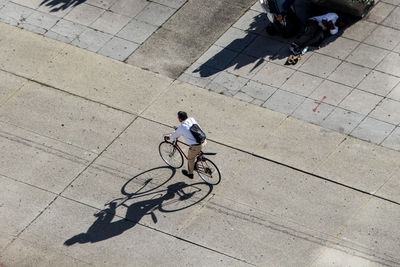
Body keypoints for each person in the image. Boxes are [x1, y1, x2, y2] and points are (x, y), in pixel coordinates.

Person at [165, 111, 206, 179]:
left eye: (178, 117)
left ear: (180, 119)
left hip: (197, 146)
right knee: (196, 149)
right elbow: (187, 127)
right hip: (203, 140)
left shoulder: (182, 127)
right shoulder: (191, 119)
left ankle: (190, 174)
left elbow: (174, 135)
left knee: (190, 159)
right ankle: (201, 157)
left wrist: (168, 137)